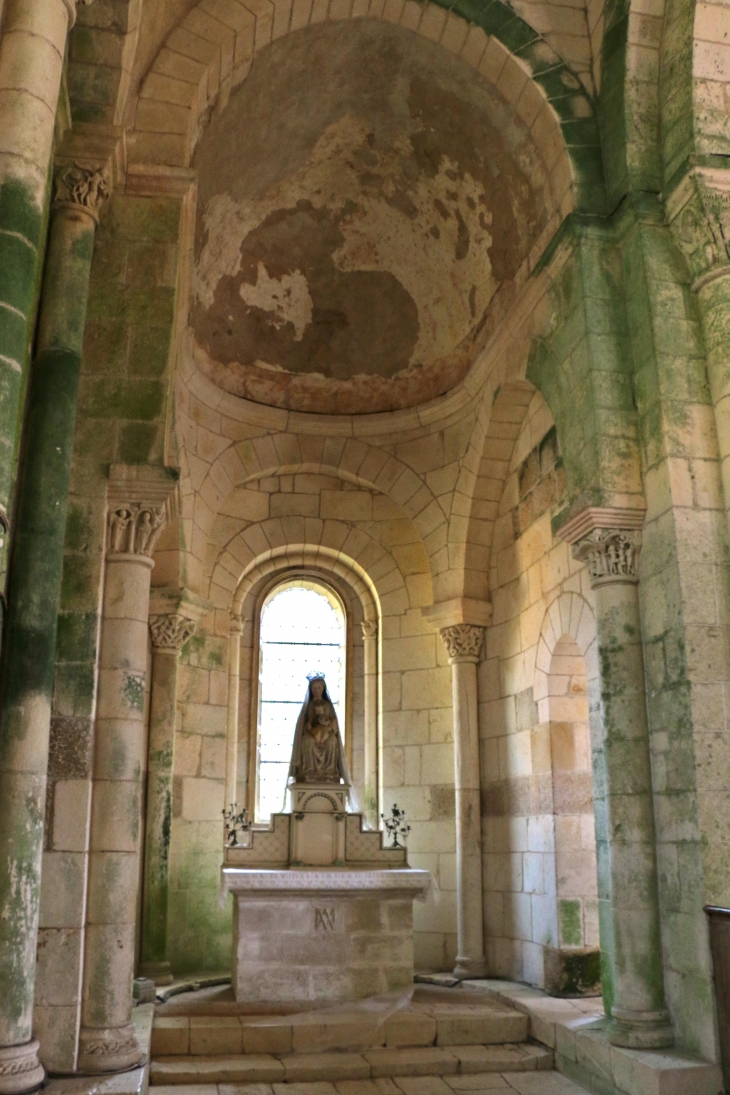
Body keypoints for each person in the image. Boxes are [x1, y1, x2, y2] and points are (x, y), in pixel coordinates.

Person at [288, 674, 351, 785]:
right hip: (312, 733)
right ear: (311, 690)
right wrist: (309, 726)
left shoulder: (328, 705)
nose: (317, 690)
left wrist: (330, 725)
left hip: (326, 731)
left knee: (332, 741)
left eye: (319, 688)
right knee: (307, 741)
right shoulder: (308, 706)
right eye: (314, 688)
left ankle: (329, 770)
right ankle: (309, 769)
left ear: (323, 689)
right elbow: (303, 724)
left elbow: (333, 720)